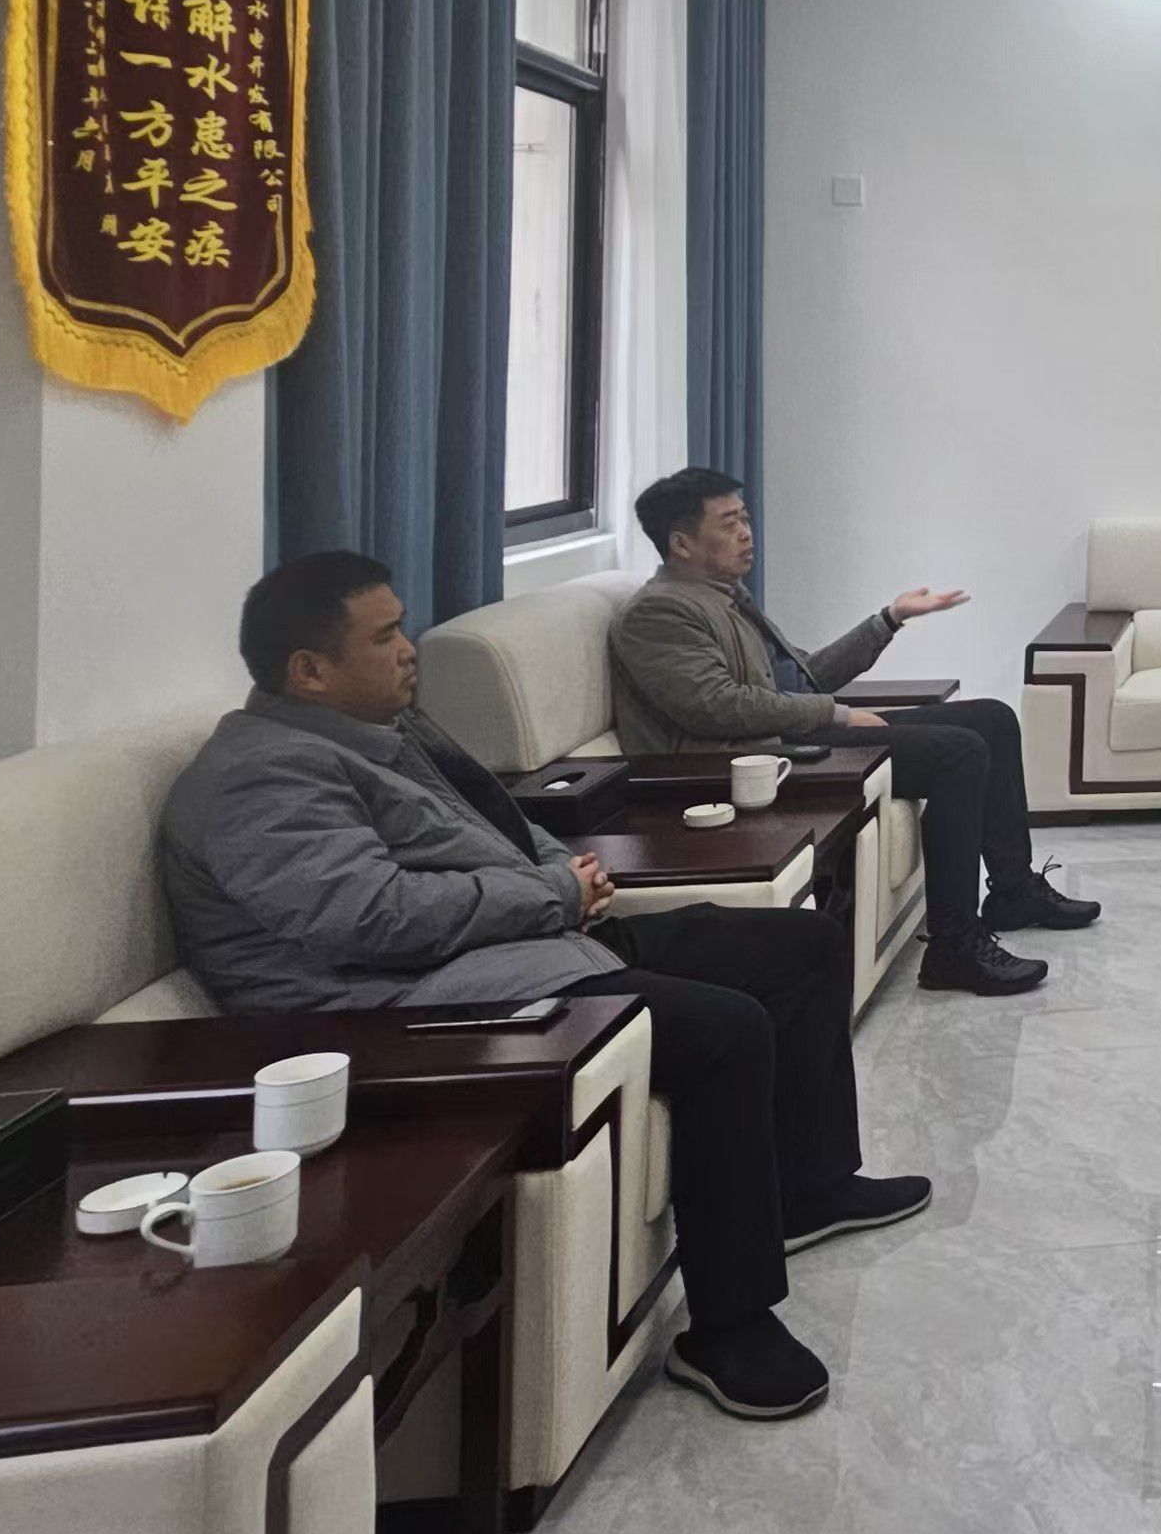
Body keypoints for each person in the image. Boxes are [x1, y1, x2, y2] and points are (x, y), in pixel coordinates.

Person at [159, 552, 931, 1424]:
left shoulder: (379, 732)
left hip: (518, 944)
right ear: (309, 670)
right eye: (385, 637)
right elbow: (369, 918)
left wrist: (567, 875)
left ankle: (812, 1188)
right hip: (413, 1008)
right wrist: (554, 894)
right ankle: (729, 1327)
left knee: (801, 945)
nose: (410, 650)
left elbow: (498, 826)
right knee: (722, 1029)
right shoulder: (261, 777)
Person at [608, 468, 1092, 1002]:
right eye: (729, 524)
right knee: (958, 753)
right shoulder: (659, 611)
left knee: (992, 719)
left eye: (744, 518)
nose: (747, 533)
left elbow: (807, 677)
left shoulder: (725, 597)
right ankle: (953, 946)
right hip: (749, 765)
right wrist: (837, 715)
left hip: (787, 740)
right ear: (681, 543)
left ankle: (1013, 891)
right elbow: (718, 708)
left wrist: (889, 619)